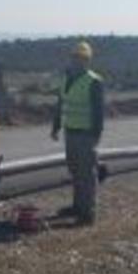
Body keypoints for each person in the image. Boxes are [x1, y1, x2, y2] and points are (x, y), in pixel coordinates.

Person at [50, 41, 105, 225]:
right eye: (75, 57)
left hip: (86, 134)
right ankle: (77, 206)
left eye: (82, 58)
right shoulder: (66, 78)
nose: (77, 61)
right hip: (70, 131)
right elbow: (61, 104)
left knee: (86, 174)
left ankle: (88, 213)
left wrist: (96, 136)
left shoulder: (94, 81)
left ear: (87, 61)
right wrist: (56, 126)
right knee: (75, 171)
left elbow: (99, 112)